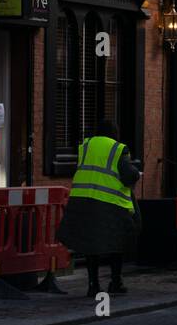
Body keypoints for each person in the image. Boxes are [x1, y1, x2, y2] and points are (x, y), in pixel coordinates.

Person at [56, 119, 141, 297]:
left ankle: (93, 284)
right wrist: (136, 172)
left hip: (83, 200)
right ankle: (116, 281)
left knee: (90, 245)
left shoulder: (85, 146)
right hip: (110, 202)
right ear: (114, 133)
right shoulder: (118, 149)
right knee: (117, 242)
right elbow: (128, 176)